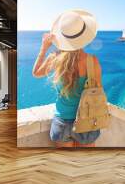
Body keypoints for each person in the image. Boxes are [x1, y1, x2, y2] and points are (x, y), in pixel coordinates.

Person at [32, 10, 102, 147]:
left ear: (62, 37)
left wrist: (44, 47)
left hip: (62, 121)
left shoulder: (55, 57)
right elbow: (98, 90)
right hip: (86, 121)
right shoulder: (92, 61)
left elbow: (36, 73)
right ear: (83, 36)